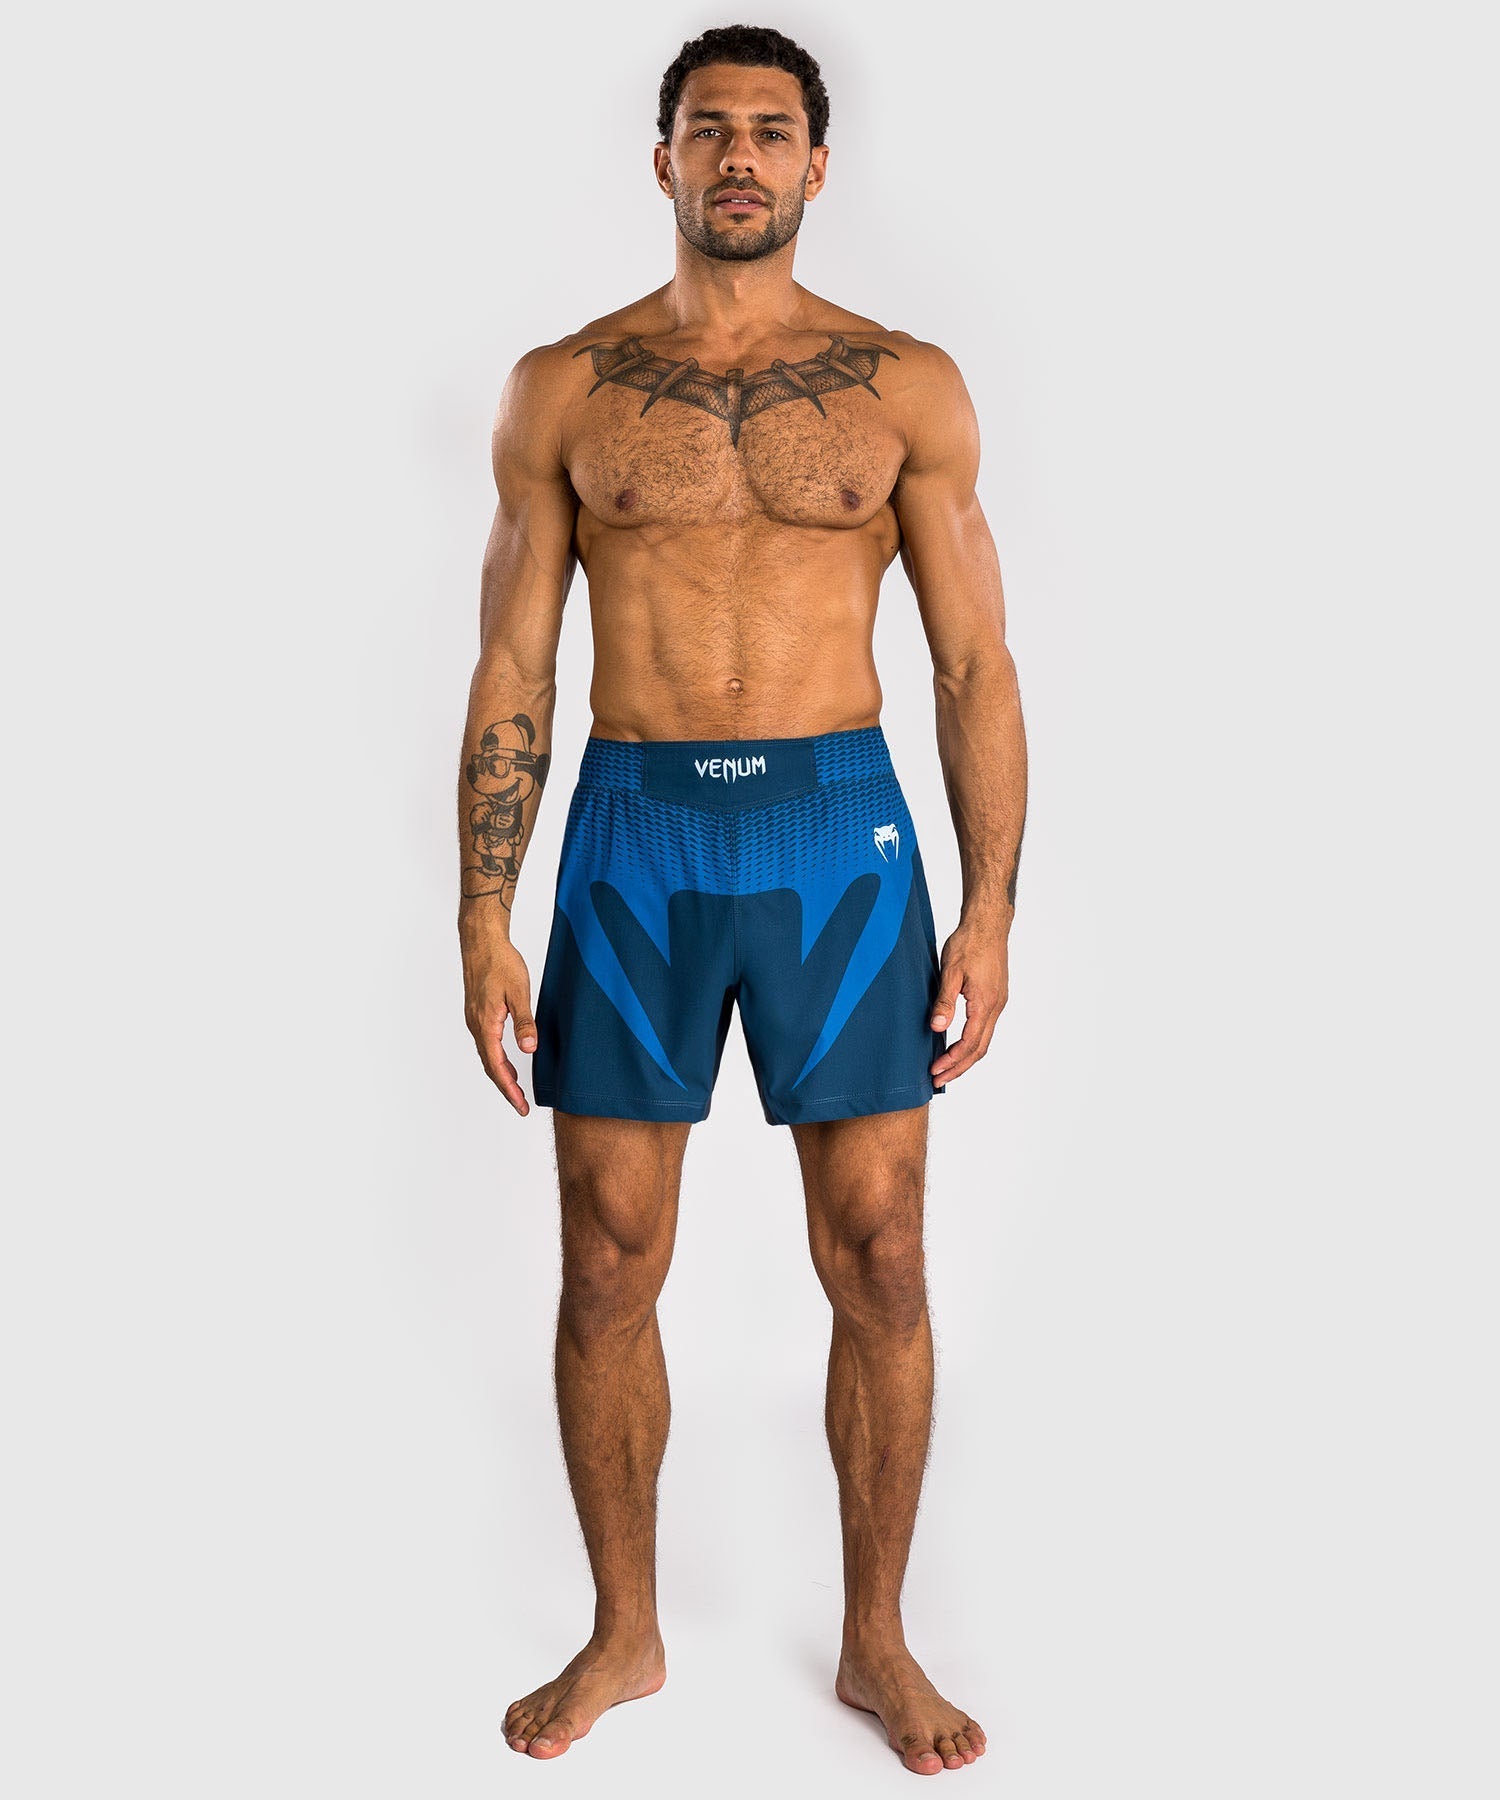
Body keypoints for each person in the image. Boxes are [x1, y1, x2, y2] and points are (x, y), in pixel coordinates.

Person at [458, 24, 1026, 1778]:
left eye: (772, 132)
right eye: (710, 128)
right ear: (663, 159)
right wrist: (482, 912)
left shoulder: (902, 387)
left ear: (816, 167)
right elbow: (511, 664)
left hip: (836, 836)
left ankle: (876, 1641)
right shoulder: (565, 387)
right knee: (607, 1255)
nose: (740, 157)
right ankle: (625, 1631)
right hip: (632, 840)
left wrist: (991, 910)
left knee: (882, 1250)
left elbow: (974, 665)